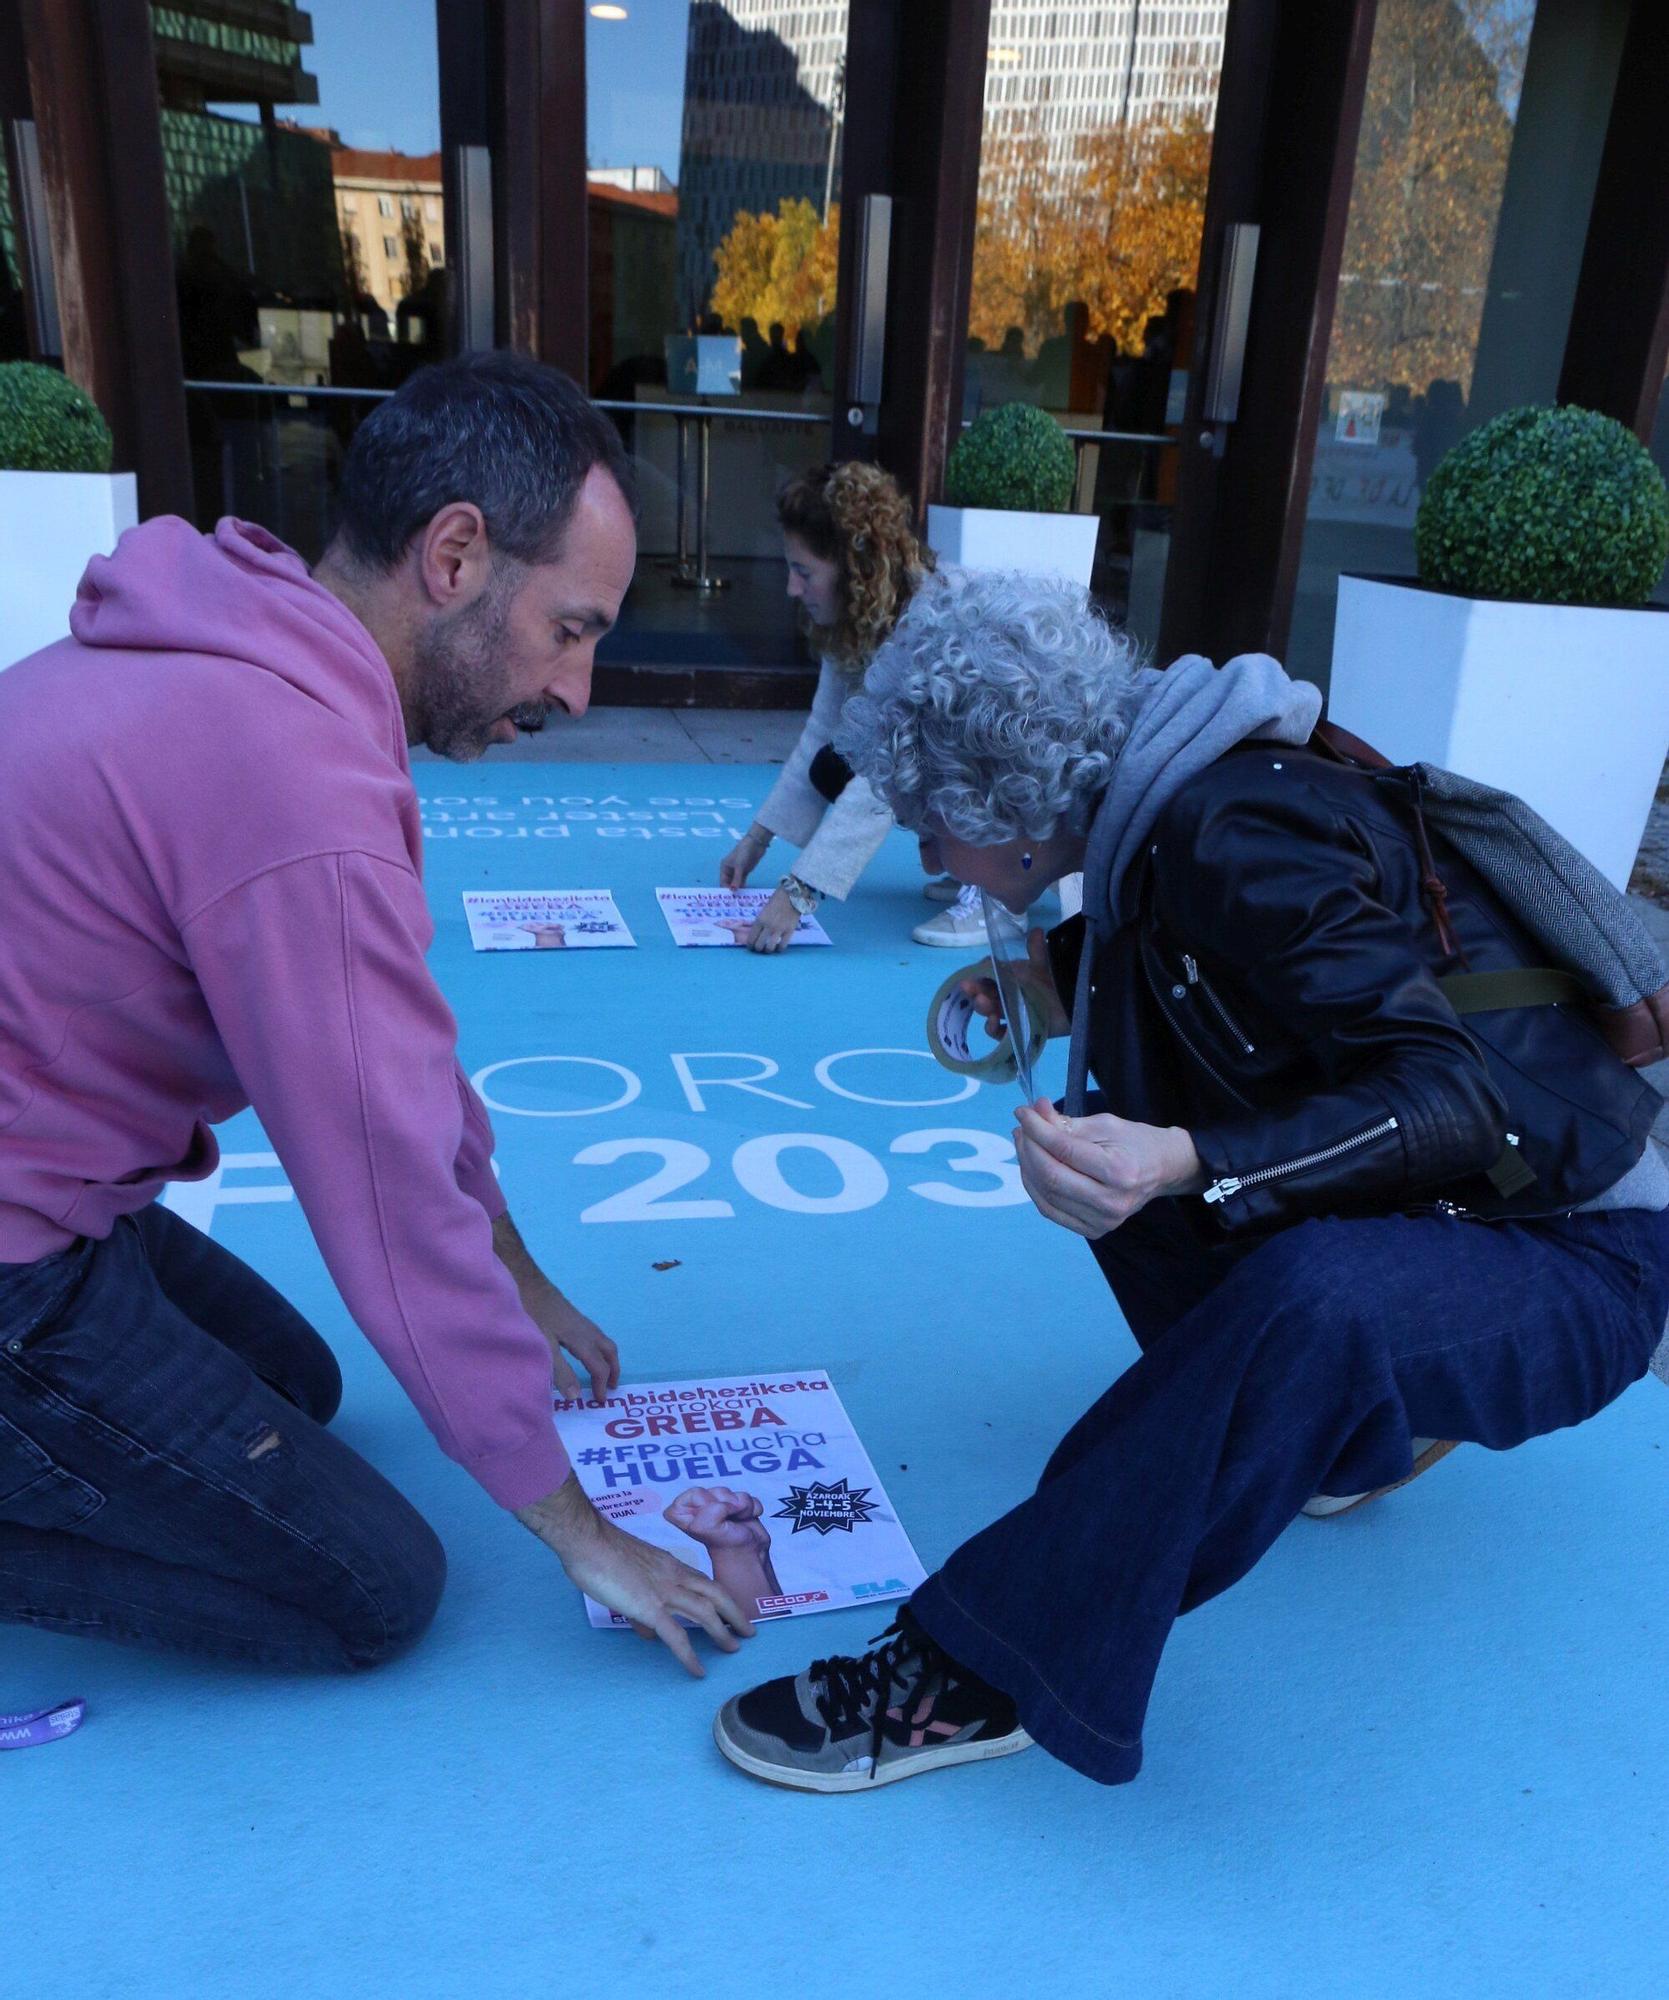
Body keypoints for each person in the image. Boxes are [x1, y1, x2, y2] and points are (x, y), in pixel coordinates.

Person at [712, 565, 1669, 1793]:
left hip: (1582, 1252)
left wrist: (1188, 1158)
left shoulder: (1226, 827)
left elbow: (1450, 1096)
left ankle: (978, 1668)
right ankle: (1353, 1443)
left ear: (1009, 808)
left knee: (1305, 1289)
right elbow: (1232, 979)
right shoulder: (1162, 807)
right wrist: (1049, 997)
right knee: (1113, 1144)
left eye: (931, 823)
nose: (929, 849)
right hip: (1465, 1214)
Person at [0, 352, 755, 1680]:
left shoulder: (258, 648)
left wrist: (517, 1278)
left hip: (59, 1191)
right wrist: (585, 1535)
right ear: (455, 556)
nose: (576, 692)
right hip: (19, 1256)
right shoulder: (291, 779)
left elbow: (398, 1063)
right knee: (372, 1586)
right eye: (572, 629)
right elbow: (388, 1190)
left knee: (298, 1389)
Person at [716, 462, 978, 950]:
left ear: (854, 569)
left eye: (803, 572)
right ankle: (970, 863)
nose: (793, 590)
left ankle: (995, 893)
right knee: (830, 763)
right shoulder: (860, 616)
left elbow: (884, 776)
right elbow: (821, 730)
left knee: (943, 750)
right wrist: (757, 838)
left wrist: (797, 893)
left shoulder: (930, 618)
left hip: (1036, 780)